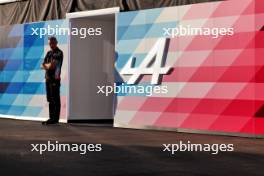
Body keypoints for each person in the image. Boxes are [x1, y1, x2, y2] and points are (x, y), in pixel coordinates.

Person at [41, 36, 63, 125]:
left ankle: (55, 119)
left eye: (52, 43)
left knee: (55, 98)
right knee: (50, 99)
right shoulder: (49, 53)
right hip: (48, 78)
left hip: (55, 79)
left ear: (56, 43)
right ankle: (51, 118)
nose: (51, 45)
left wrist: (47, 65)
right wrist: (47, 65)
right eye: (49, 43)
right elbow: (42, 65)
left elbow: (52, 65)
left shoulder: (59, 53)